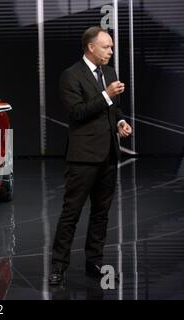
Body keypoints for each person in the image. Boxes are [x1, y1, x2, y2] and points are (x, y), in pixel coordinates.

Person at [49, 26, 133, 285]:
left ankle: (94, 262)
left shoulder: (109, 72)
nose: (110, 51)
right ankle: (58, 267)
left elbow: (113, 110)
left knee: (101, 213)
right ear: (91, 47)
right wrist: (107, 94)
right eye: (106, 47)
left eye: (111, 47)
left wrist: (120, 122)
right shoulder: (70, 75)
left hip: (108, 153)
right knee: (71, 213)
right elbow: (77, 112)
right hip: (83, 156)